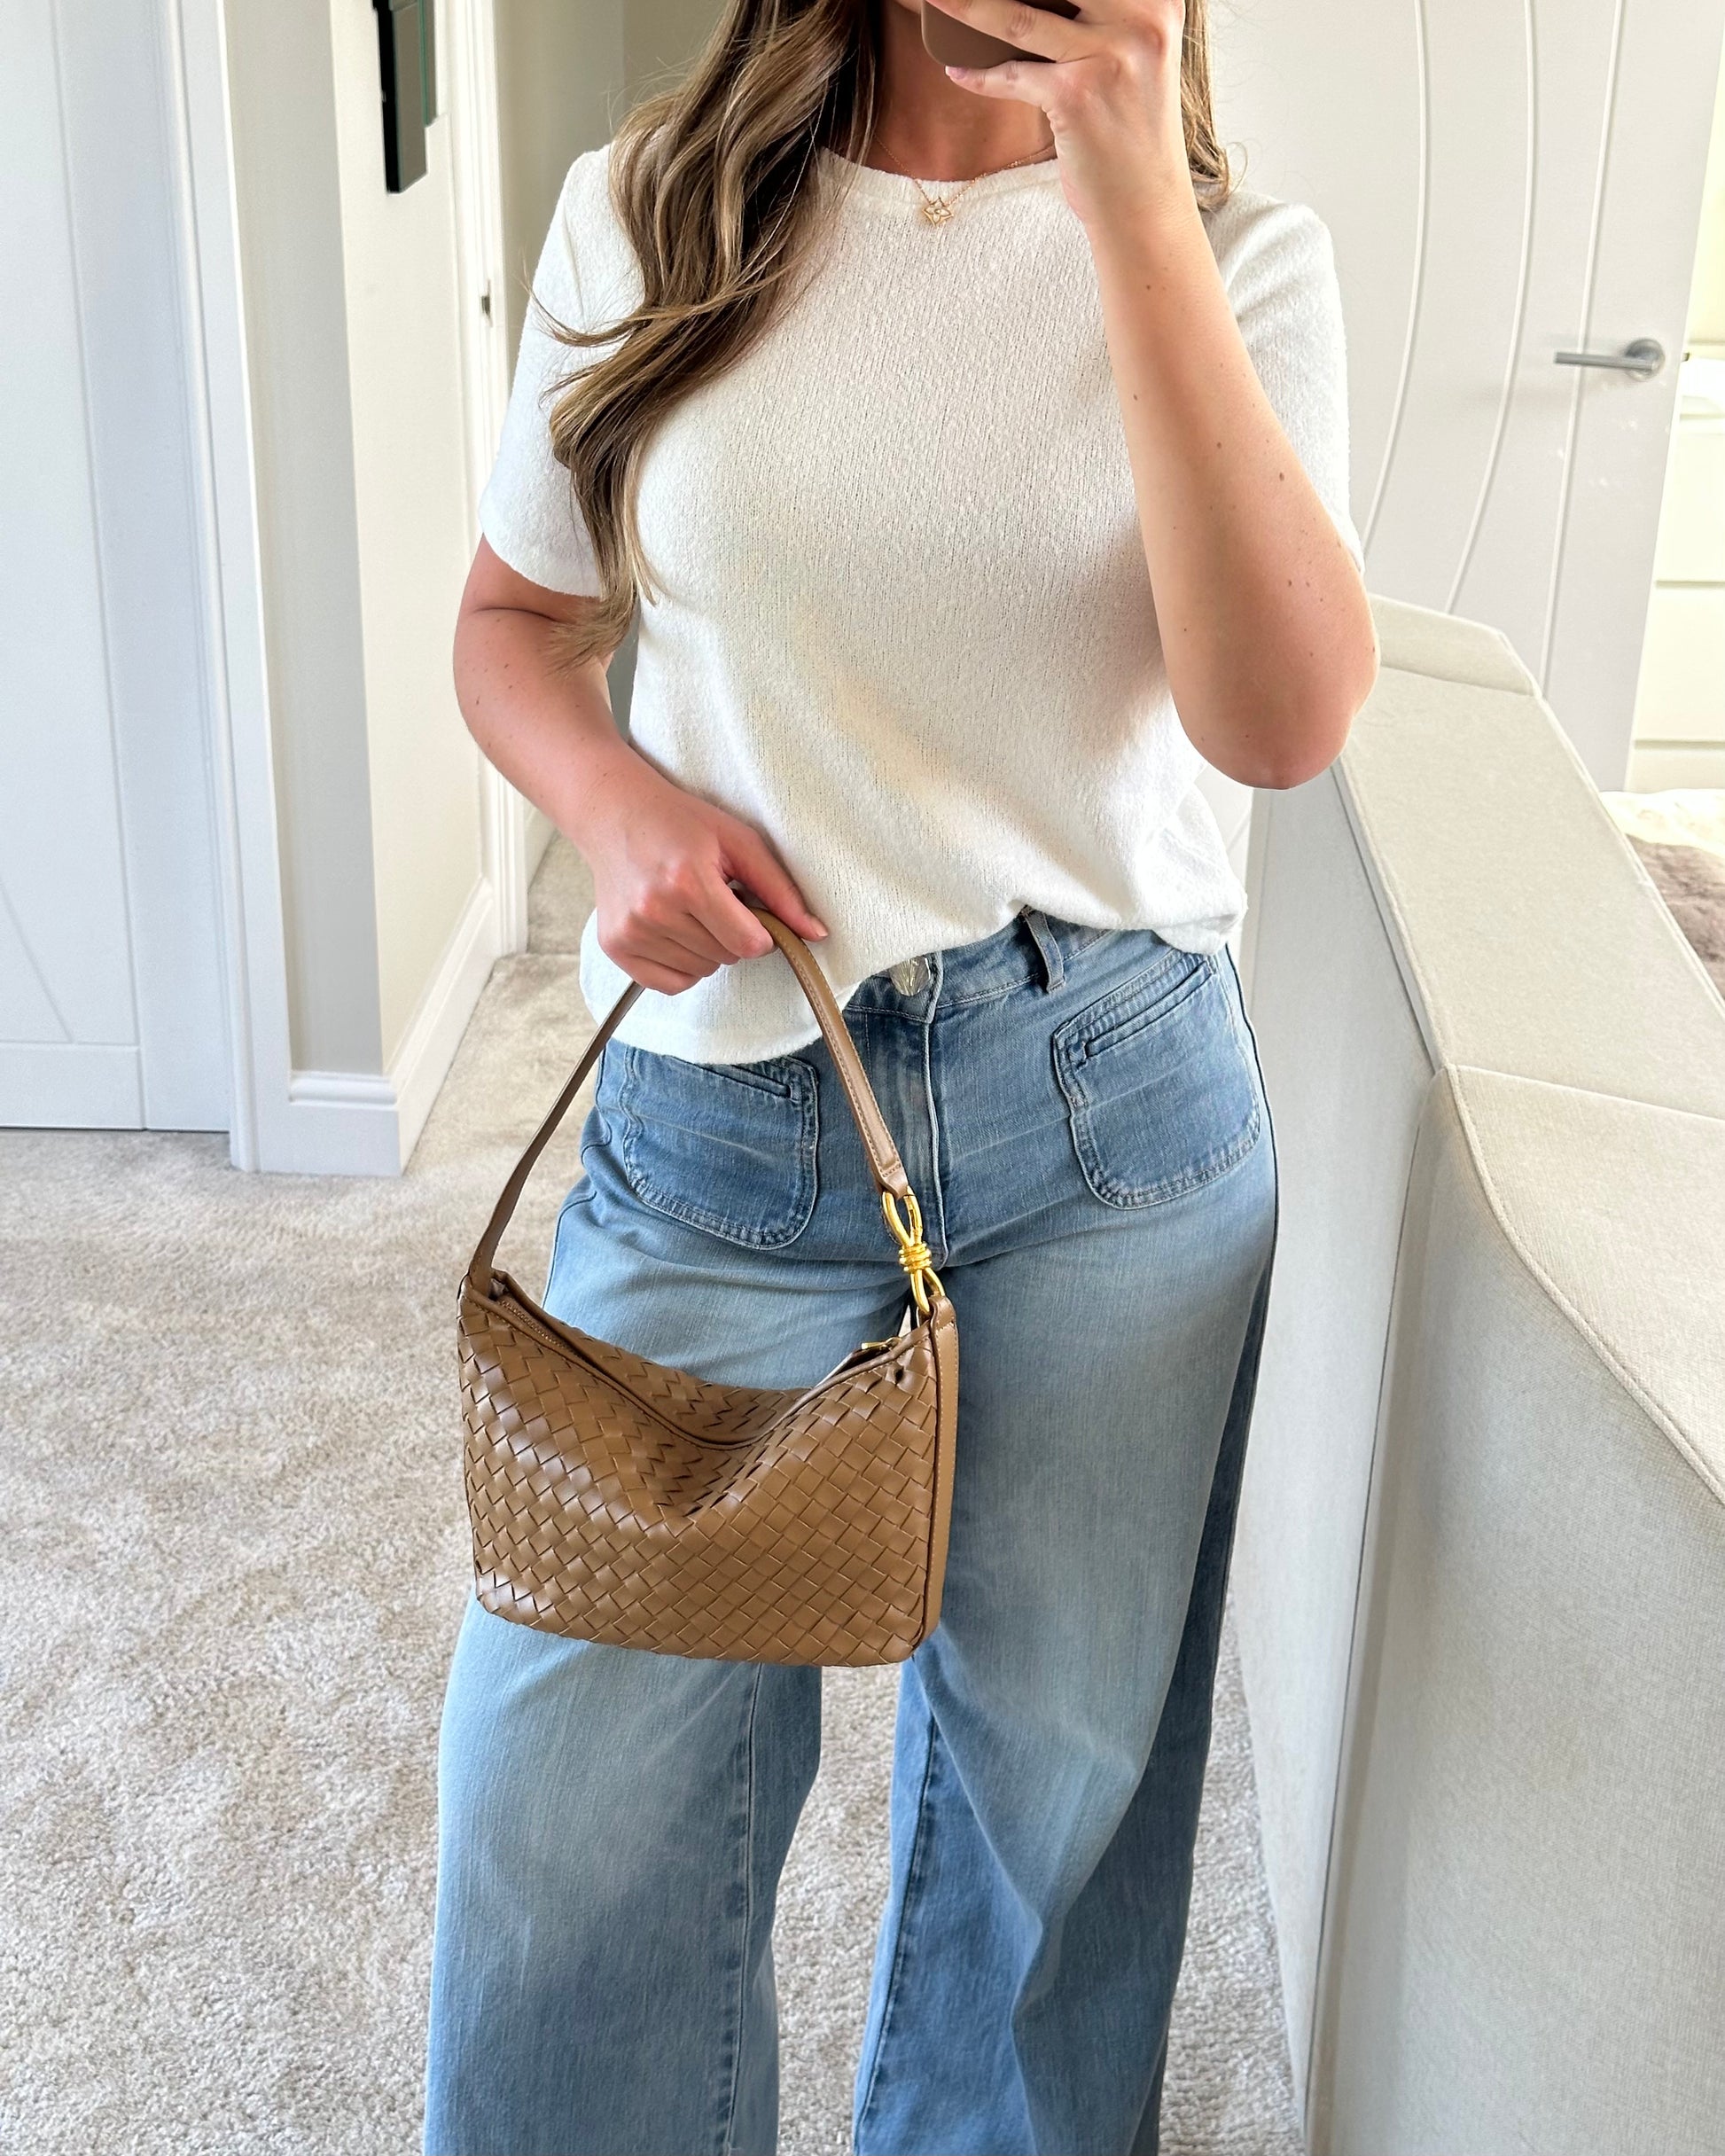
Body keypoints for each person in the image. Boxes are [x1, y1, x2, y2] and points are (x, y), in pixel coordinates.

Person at [424, 0, 1378, 2144]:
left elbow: (1280, 722)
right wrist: (618, 813)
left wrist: (1130, 202)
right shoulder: (653, 211)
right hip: (724, 1121)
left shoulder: (1243, 260)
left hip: (1114, 1131)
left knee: (1049, 1841)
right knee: (562, 1837)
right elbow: (511, 623)